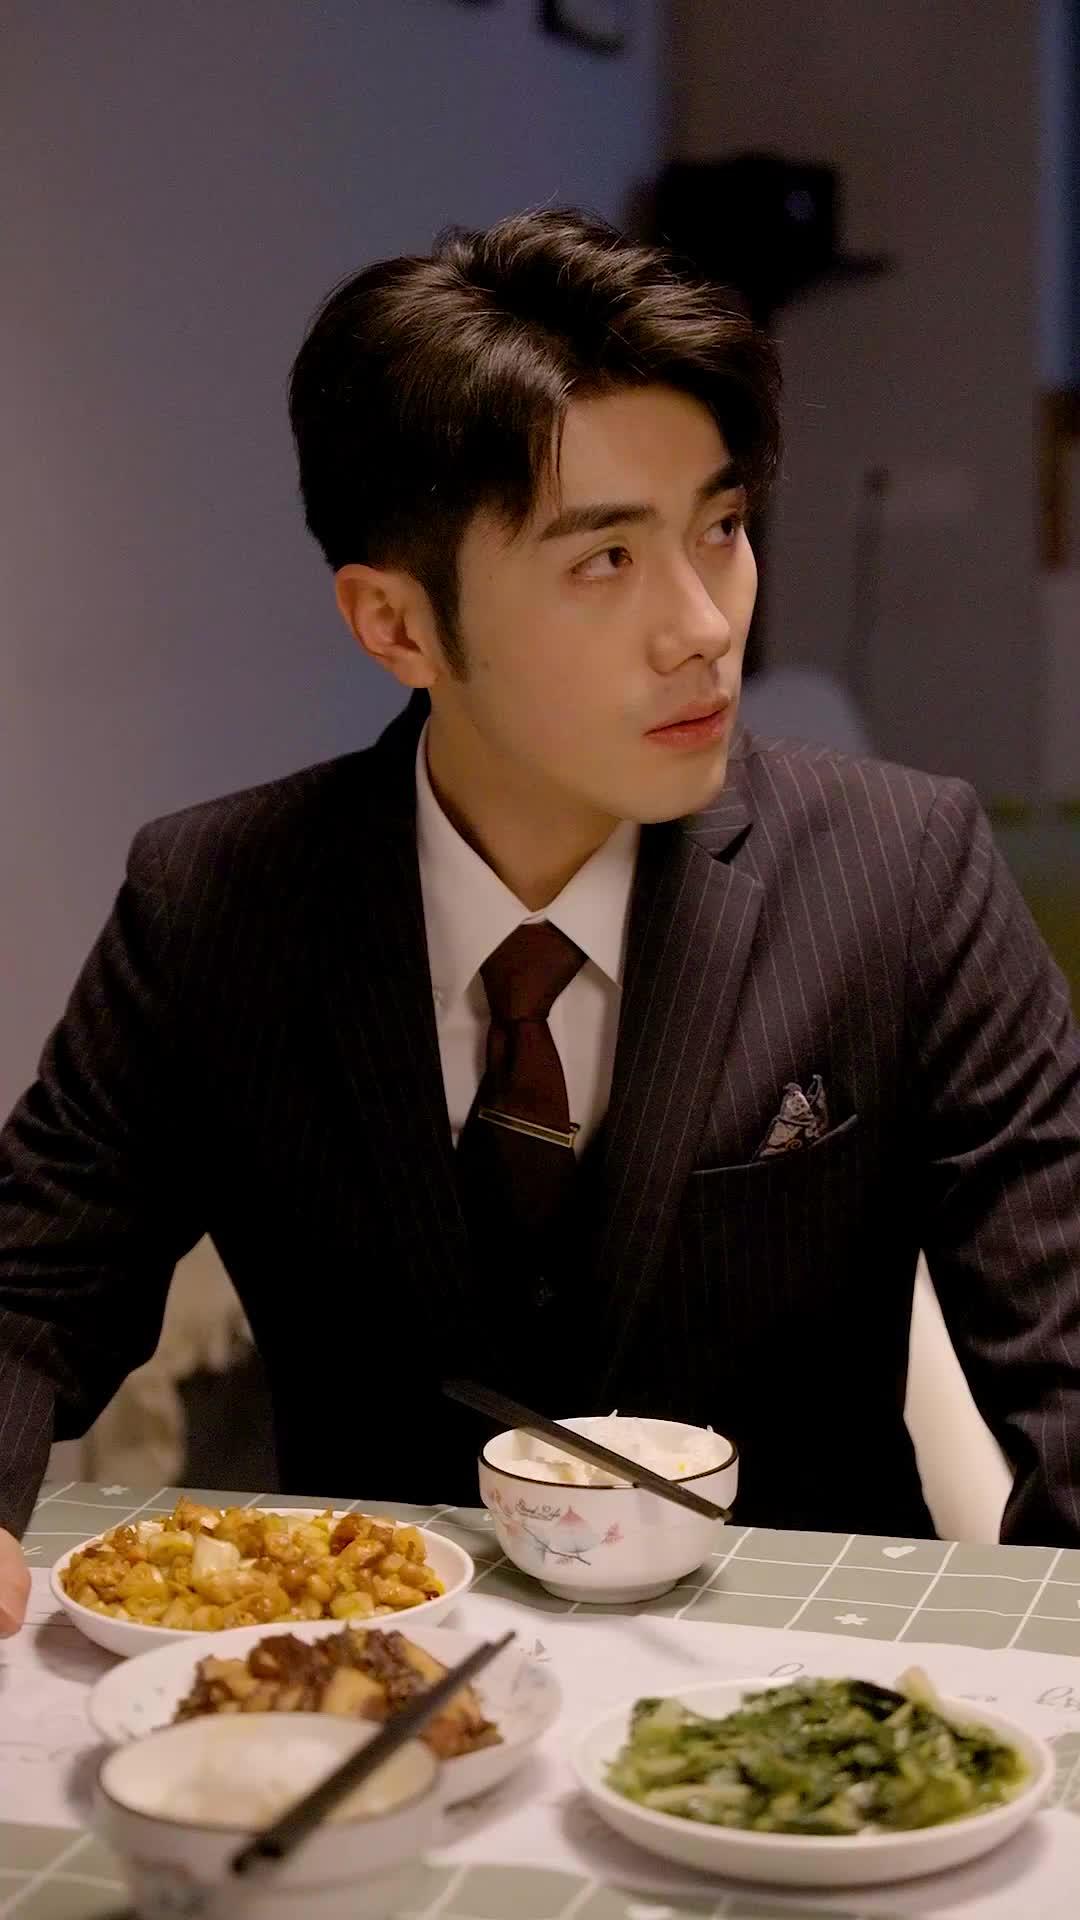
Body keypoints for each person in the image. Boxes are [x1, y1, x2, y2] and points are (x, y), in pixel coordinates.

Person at [2, 209, 1079, 1637]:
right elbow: (32, 1284)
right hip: (377, 1663)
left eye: (721, 529)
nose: (707, 625)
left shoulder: (904, 870)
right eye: (604, 561)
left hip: (807, 1661)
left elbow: (1067, 1347)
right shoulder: (219, 902)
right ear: (397, 625)